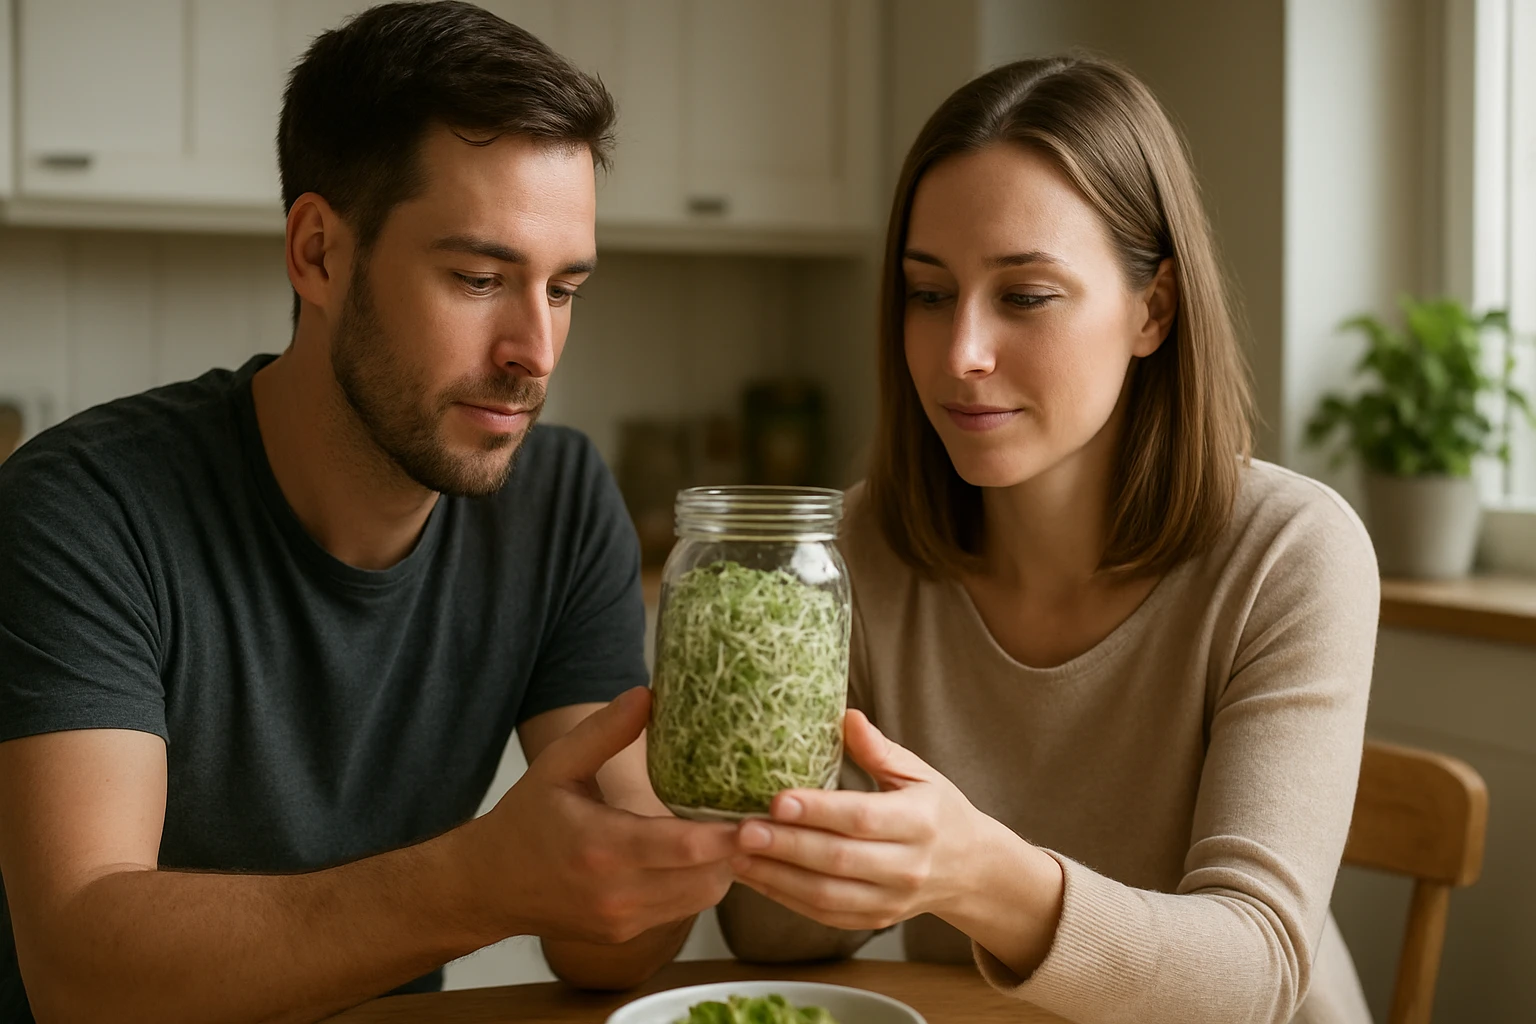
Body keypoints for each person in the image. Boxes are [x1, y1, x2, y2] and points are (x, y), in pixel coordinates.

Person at [0, 4, 739, 1021]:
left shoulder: (558, 503)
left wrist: (700, 836)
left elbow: (600, 949)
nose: (536, 351)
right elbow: (80, 971)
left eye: (563, 288)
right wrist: (479, 881)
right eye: (479, 278)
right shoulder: (83, 511)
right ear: (317, 253)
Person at [717, 56, 1379, 1024]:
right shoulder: (856, 547)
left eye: (1025, 296)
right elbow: (776, 938)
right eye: (929, 294)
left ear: (1152, 310)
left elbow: (1255, 972)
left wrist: (978, 874)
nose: (959, 354)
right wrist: (760, 780)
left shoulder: (1290, 550)